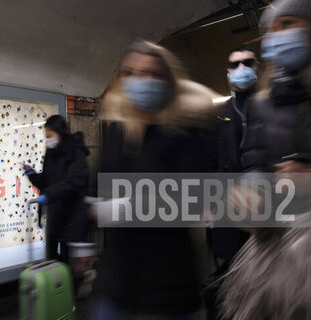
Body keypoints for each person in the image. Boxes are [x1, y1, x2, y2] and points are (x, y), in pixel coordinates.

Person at [91, 40, 219, 319]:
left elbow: (190, 200)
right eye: (132, 73)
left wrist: (121, 207)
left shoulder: (185, 133)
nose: (143, 80)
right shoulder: (117, 134)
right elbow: (96, 192)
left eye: (154, 74)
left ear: (168, 81)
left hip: (170, 290)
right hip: (116, 286)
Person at [219, 0, 311, 319]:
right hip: (277, 247)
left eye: (288, 24)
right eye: (271, 29)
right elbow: (255, 162)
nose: (278, 35)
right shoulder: (262, 104)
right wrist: (251, 193)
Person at [204, 46, 259, 320]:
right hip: (228, 208)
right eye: (235, 64)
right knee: (232, 273)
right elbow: (212, 162)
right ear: (227, 72)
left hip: (266, 210)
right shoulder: (220, 114)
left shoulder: (268, 106)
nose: (242, 69)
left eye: (247, 62)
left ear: (256, 66)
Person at [23, 114, 90, 262]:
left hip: (71, 217)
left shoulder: (76, 152)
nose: (48, 139)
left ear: (60, 133)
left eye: (50, 135)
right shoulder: (51, 153)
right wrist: (32, 174)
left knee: (68, 263)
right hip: (55, 216)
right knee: (52, 258)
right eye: (46, 136)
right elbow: (45, 182)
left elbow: (73, 181)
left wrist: (49, 195)